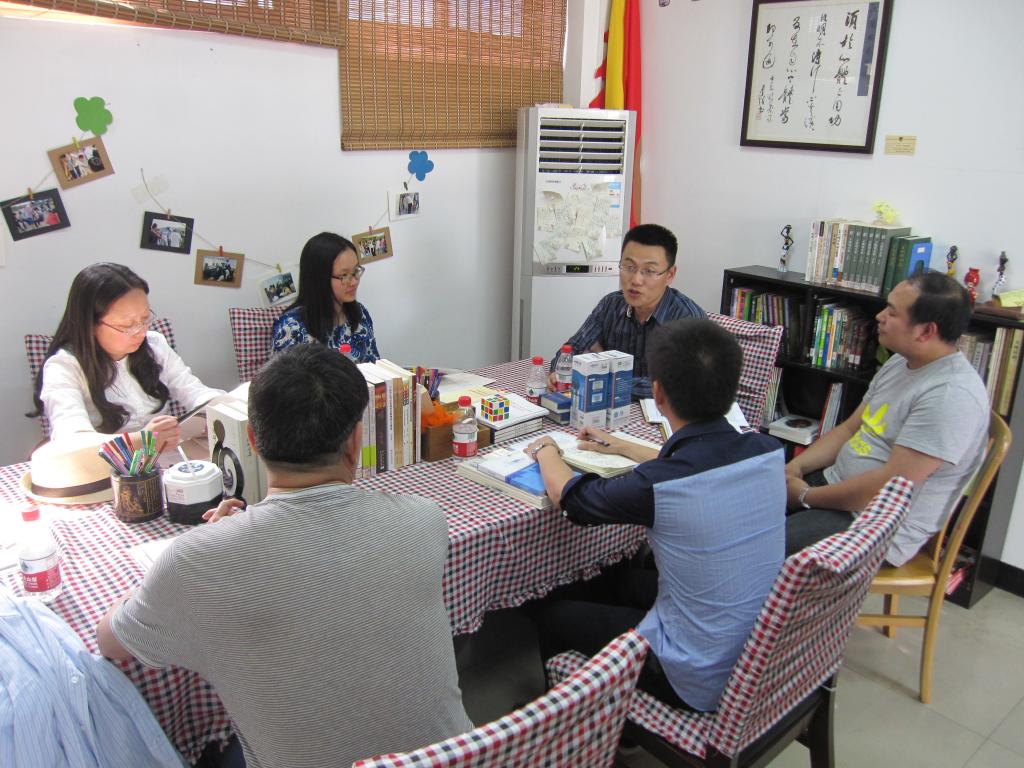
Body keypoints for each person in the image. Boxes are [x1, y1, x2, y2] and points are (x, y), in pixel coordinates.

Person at [96, 344, 472, 767]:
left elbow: (110, 642)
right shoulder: (424, 520)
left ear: (252, 441)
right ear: (356, 440)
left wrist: (214, 546)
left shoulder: (194, 563)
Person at [527, 318, 785, 712]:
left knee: (555, 614)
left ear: (658, 393)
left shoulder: (661, 485)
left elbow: (572, 499)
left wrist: (545, 449)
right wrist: (622, 447)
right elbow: (696, 461)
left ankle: (575, 723)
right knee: (615, 580)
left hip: (691, 675)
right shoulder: (767, 451)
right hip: (753, 647)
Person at [785, 272, 989, 566]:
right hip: (834, 488)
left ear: (926, 331)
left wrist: (806, 496)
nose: (879, 316)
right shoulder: (900, 361)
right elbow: (849, 429)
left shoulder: (951, 396)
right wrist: (797, 467)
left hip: (876, 525)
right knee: (742, 509)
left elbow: (887, 488)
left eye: (892, 312)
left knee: (763, 549)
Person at [35, 263, 223, 445]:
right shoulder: (64, 367)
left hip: (164, 458)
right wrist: (142, 441)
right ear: (90, 324)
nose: (140, 331)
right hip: (104, 464)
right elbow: (72, 441)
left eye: (145, 319)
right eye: (127, 325)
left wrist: (221, 407)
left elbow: (192, 390)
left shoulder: (154, 345)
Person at [547, 223, 705, 398]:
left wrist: (604, 382)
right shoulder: (611, 305)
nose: (636, 280)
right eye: (629, 267)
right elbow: (572, 349)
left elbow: (675, 384)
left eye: (649, 271)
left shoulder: (688, 321)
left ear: (670, 275)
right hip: (605, 404)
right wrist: (559, 372)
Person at [272, 231, 381, 362]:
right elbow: (285, 375)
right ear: (319, 279)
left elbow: (375, 365)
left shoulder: (360, 313)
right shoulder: (290, 328)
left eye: (356, 271)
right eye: (344, 275)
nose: (354, 282)